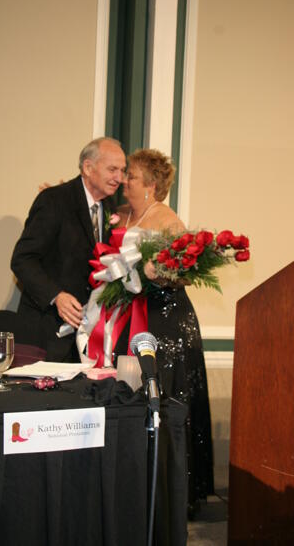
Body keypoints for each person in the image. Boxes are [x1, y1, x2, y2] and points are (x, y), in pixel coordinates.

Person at [114, 148, 214, 516]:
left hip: (167, 321)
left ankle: (172, 487)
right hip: (136, 317)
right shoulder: (126, 214)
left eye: (133, 177)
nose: (125, 181)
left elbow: (188, 272)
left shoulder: (167, 219)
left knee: (165, 391)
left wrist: (160, 273)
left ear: (151, 185)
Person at [11, 137, 127, 362]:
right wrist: (56, 296)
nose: (119, 178)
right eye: (112, 169)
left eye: (122, 171)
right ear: (87, 167)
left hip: (86, 337)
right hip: (46, 331)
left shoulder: (110, 207)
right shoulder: (54, 200)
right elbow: (22, 259)